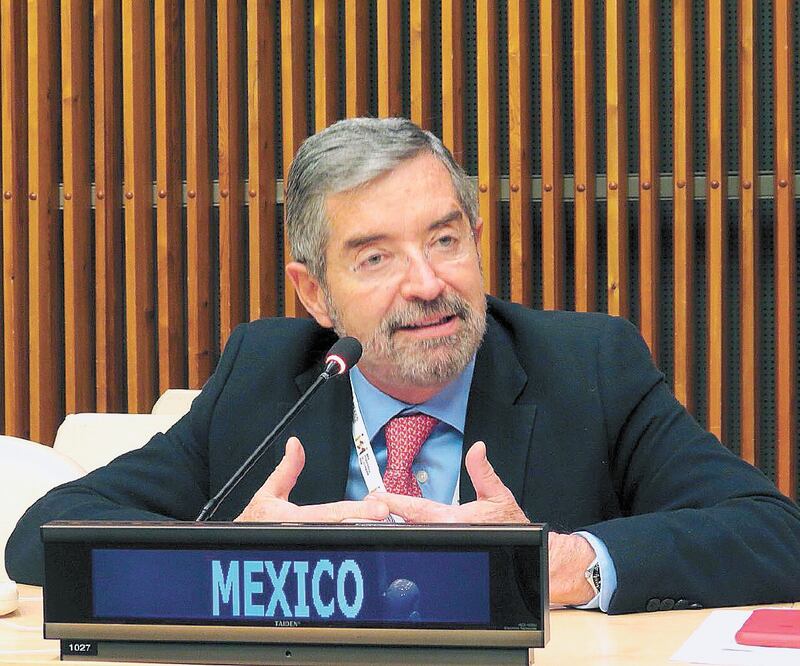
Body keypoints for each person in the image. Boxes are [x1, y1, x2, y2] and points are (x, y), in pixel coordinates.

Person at [6, 118, 800, 615]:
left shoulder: (587, 366)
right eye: (377, 257)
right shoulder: (264, 376)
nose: (428, 282)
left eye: (446, 239)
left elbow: (774, 535)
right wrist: (229, 557)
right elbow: (43, 536)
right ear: (316, 293)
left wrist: (569, 563)